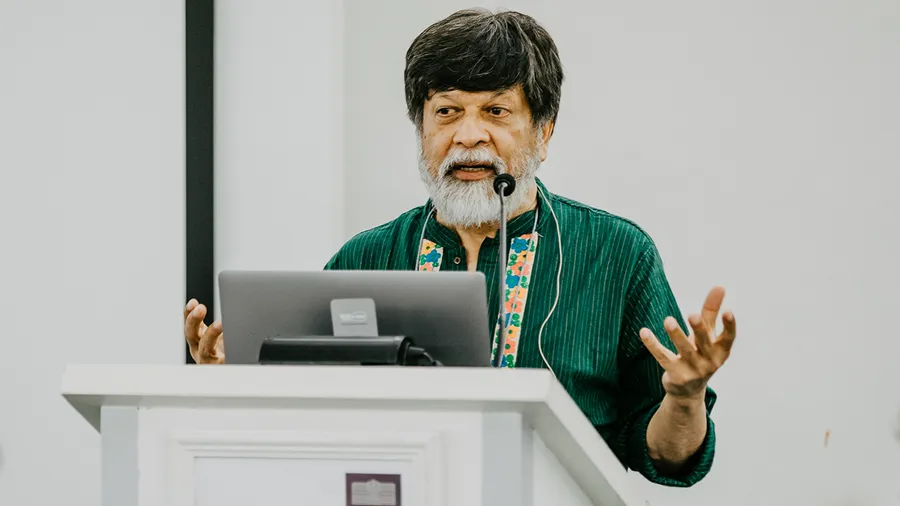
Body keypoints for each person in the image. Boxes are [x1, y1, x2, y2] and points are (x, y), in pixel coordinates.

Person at [184, 8, 737, 487]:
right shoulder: (365, 258)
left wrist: (684, 398)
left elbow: (670, 457)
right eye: (447, 112)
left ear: (543, 131)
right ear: (421, 129)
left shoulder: (617, 254)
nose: (468, 135)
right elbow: (304, 425)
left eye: (496, 111)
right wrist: (235, 382)